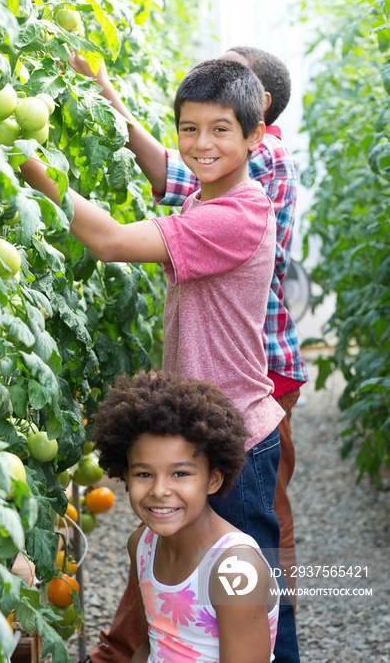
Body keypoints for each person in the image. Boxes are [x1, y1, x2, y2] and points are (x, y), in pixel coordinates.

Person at [20, 59, 299, 661]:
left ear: (257, 136)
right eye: (188, 128)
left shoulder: (236, 215)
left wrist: (31, 170)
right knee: (205, 594)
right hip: (205, 432)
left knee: (250, 601)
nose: (201, 144)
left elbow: (112, 241)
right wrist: (105, 96)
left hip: (236, 444)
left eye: (220, 130)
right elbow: (164, 167)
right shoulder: (211, 193)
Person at [91, 370, 280, 663]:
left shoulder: (235, 569)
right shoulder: (142, 546)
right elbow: (148, 648)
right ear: (126, 475)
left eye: (180, 473)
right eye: (144, 474)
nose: (160, 490)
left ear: (214, 480)